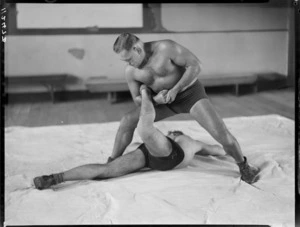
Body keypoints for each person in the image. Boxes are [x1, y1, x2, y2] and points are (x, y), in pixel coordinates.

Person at [109, 33, 259, 184]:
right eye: (125, 61)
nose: (129, 63)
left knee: (221, 134)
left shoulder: (166, 48)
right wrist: (155, 99)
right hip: (162, 101)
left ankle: (244, 166)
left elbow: (195, 65)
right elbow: (137, 100)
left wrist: (176, 89)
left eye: (129, 59)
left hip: (189, 95)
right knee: (127, 120)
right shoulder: (130, 70)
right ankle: (111, 162)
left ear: (137, 49)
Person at [33, 85, 226, 190]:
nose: (173, 132)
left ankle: (145, 94)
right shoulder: (185, 143)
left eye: (175, 132)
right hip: (148, 155)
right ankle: (55, 178)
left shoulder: (190, 143)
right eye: (172, 132)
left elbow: (216, 150)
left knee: (145, 127)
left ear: (180, 134)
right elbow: (135, 143)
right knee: (106, 170)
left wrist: (229, 152)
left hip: (171, 157)